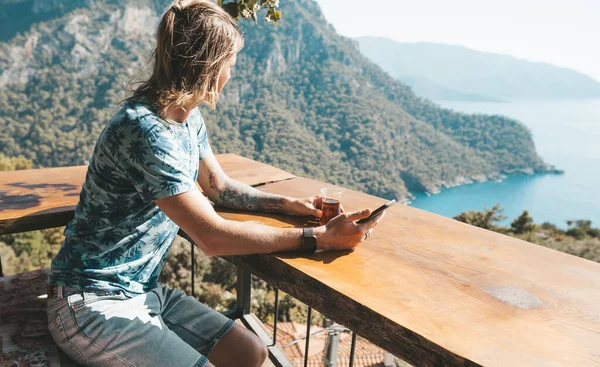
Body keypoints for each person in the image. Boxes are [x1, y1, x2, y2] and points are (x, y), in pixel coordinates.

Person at [46, 1, 384, 366]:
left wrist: (289, 205)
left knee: (249, 352)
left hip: (143, 292)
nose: (230, 76)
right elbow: (213, 237)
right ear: (206, 67)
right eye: (229, 66)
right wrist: (319, 239)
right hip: (90, 301)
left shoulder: (186, 119)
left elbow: (218, 186)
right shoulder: (145, 129)